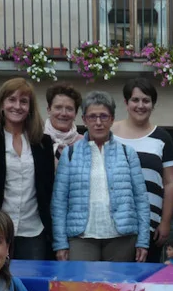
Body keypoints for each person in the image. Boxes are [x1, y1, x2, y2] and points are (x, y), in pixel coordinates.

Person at [51, 91, 150, 262]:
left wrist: (143, 240)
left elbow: (141, 199)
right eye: (92, 117)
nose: (98, 122)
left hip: (122, 237)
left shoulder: (127, 153)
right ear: (84, 119)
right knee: (81, 280)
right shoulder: (70, 153)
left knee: (119, 280)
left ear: (112, 119)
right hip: (81, 237)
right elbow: (59, 202)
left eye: (104, 116)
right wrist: (60, 243)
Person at [0, 79, 55, 261]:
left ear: (30, 108)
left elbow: (47, 187)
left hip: (33, 230)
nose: (17, 106)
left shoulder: (43, 143)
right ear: (1, 105)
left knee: (32, 278)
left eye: (23, 101)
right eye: (12, 100)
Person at [113, 77, 173, 263]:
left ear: (153, 105)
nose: (140, 105)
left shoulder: (162, 138)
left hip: (149, 225)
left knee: (145, 277)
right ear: (126, 103)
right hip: (113, 224)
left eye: (146, 100)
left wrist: (165, 222)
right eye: (135, 100)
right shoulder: (110, 133)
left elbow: (171, 182)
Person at [43, 83, 83, 165]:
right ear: (49, 110)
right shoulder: (36, 140)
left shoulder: (84, 144)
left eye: (69, 109)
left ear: (75, 113)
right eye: (58, 107)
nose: (64, 113)